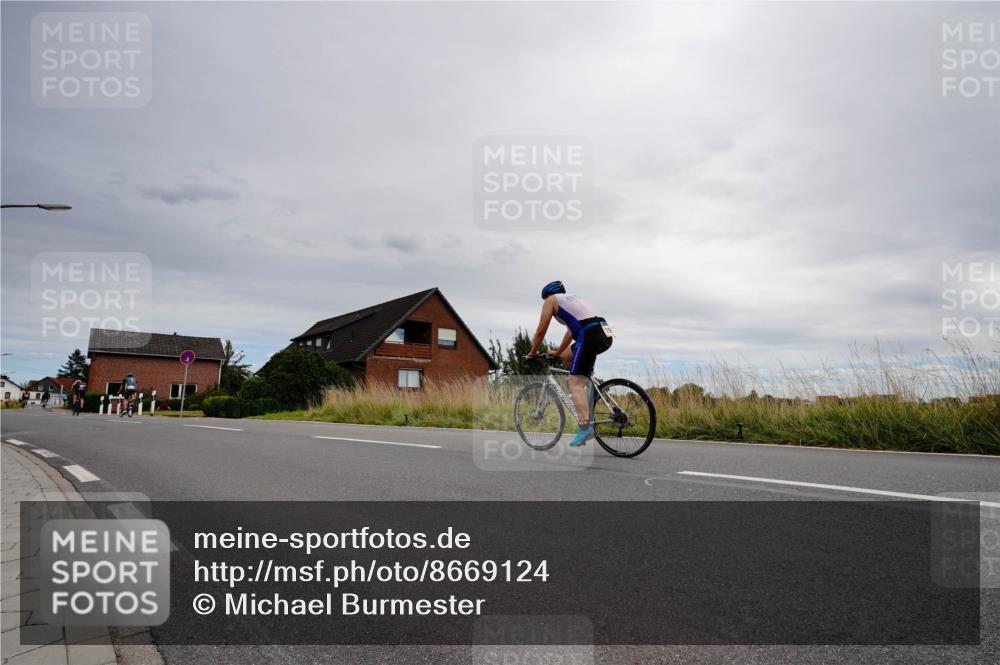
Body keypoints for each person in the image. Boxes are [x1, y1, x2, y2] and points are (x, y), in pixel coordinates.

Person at [526, 281, 614, 447]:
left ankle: (585, 427)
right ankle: (585, 392)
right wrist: (558, 352)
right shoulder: (572, 300)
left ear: (547, 295)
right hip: (604, 333)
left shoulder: (551, 300)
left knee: (574, 383)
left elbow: (541, 330)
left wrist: (532, 352)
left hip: (589, 334)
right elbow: (570, 332)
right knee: (567, 357)